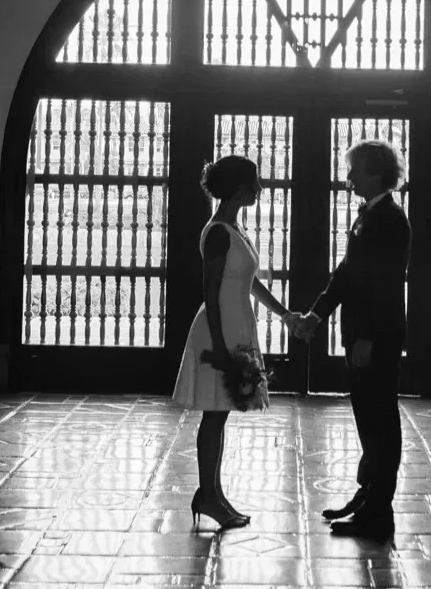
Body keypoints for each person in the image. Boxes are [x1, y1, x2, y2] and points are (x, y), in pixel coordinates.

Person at [172, 155, 302, 530]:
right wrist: (217, 346)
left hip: (235, 323)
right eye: (253, 184)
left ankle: (212, 493)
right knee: (213, 416)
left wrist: (285, 314)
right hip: (220, 329)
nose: (258, 189)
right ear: (236, 188)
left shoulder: (233, 228)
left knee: (220, 414)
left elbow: (251, 283)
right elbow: (210, 293)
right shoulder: (217, 233)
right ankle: (208, 494)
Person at [296, 139, 411, 542]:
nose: (348, 179)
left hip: (373, 336)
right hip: (362, 334)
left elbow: (380, 286)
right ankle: (367, 496)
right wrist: (317, 313)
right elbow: (346, 276)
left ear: (376, 172)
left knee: (380, 420)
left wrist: (366, 338)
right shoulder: (370, 216)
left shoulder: (390, 220)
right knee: (368, 418)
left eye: (354, 171)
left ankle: (378, 511)